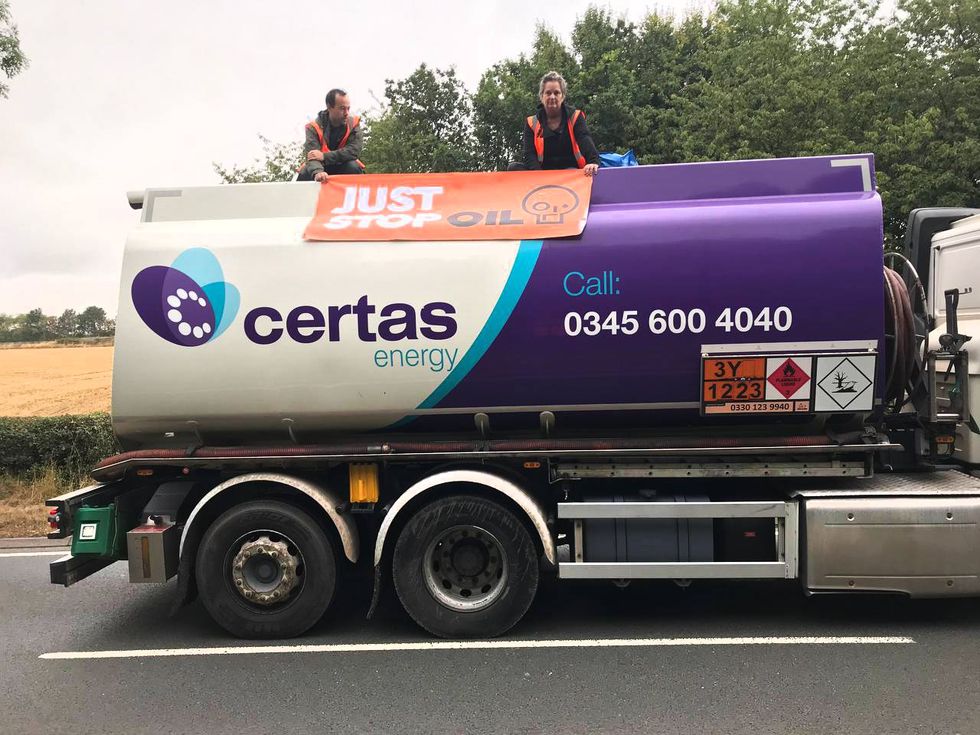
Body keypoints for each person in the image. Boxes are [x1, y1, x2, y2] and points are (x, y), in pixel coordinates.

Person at [510, 71, 599, 176]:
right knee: (513, 167)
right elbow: (529, 155)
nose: (552, 97)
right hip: (542, 173)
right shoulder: (531, 123)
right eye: (548, 93)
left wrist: (593, 162)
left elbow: (585, 140)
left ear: (563, 96)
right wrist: (541, 177)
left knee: (574, 170)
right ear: (541, 96)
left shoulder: (575, 117)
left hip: (571, 173)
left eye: (556, 93)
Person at [297, 88, 365, 182]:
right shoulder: (313, 127)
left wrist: (324, 156)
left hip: (343, 166)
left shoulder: (353, 124)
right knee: (305, 172)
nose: (346, 113)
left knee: (353, 167)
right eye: (342, 108)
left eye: (348, 108)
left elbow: (354, 150)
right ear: (329, 107)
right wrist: (318, 172)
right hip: (320, 168)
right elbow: (312, 156)